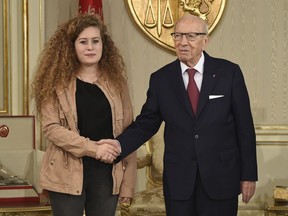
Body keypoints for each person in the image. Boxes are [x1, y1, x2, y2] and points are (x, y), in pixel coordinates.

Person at [98, 14, 258, 216]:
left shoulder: (229, 72)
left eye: (191, 36)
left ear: (205, 40)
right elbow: (146, 123)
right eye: (178, 36)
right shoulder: (161, 79)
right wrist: (119, 145)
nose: (183, 42)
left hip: (221, 177)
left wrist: (248, 175)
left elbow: (245, 128)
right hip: (180, 180)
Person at [30, 14, 137, 216]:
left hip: (108, 173)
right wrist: (94, 149)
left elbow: (128, 132)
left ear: (103, 45)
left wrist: (128, 183)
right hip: (65, 172)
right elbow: (51, 129)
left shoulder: (117, 82)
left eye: (95, 41)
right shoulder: (54, 82)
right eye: (83, 42)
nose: (90, 47)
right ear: (72, 47)